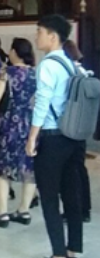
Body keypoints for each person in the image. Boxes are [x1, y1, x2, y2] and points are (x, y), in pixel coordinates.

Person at [26, 15, 84, 258]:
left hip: (52, 138)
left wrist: (32, 137)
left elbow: (42, 102)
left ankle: (58, 253)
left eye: (39, 32)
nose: (36, 37)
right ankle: (74, 249)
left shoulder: (48, 65)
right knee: (72, 195)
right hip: (74, 137)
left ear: (52, 36)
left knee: (49, 197)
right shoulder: (72, 63)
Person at [0, 38, 38, 228]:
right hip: (30, 124)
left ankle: (2, 213)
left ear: (14, 52)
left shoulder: (7, 72)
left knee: (1, 167)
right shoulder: (36, 73)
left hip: (8, 123)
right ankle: (24, 211)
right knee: (29, 167)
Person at [62, 39, 92, 223]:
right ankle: (84, 208)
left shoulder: (69, 73)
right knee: (79, 168)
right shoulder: (84, 72)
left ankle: (74, 210)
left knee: (70, 171)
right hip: (83, 124)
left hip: (69, 126)